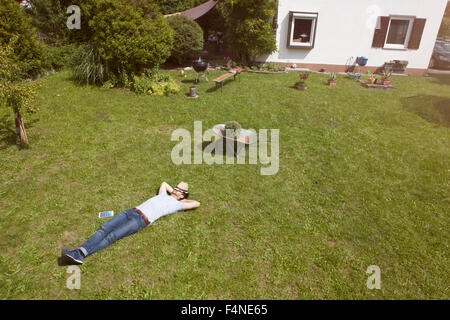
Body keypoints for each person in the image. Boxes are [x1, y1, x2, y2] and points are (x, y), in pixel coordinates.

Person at [61, 182, 200, 265]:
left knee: (111, 237)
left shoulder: (177, 205)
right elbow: (164, 183)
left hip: (140, 220)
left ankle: (80, 254)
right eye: (175, 188)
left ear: (183, 195)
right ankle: (78, 253)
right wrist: (175, 191)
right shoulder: (163, 194)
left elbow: (196, 203)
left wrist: (181, 198)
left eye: (179, 190)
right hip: (131, 211)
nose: (175, 190)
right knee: (104, 229)